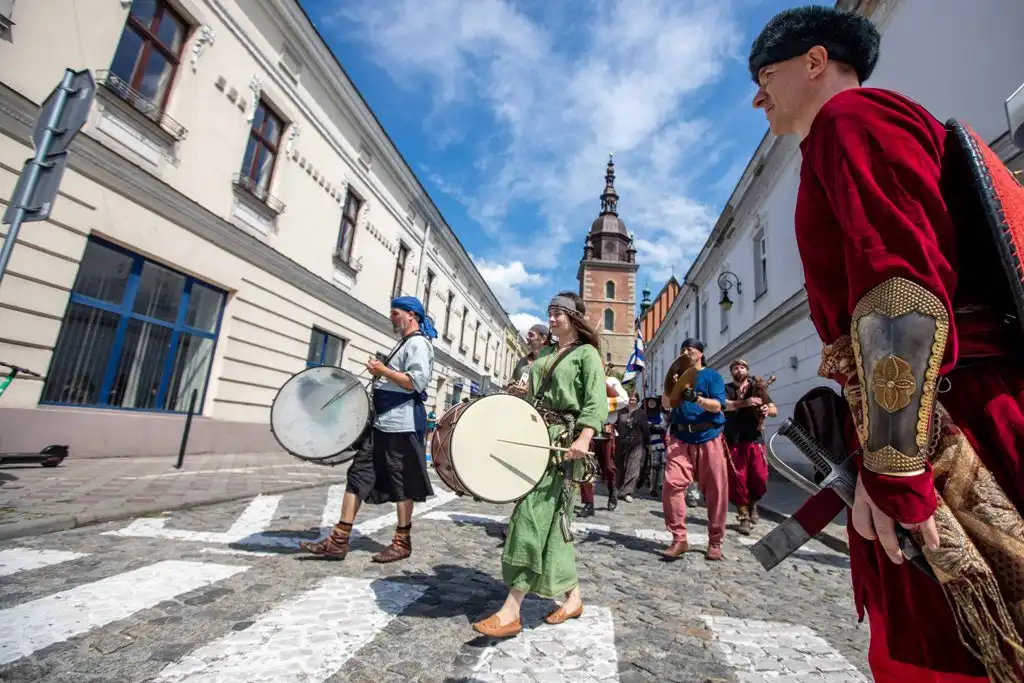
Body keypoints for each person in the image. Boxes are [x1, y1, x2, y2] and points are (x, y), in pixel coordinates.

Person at [750, 6, 1024, 681]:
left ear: (815, 62)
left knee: (952, 652)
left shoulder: (854, 119)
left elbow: (898, 287)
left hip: (947, 426)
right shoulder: (842, 136)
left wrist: (897, 469)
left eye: (765, 76)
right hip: (925, 415)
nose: (758, 97)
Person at [472, 292, 608, 638]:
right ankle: (573, 596)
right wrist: (521, 397)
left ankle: (511, 609)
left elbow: (595, 401)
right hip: (536, 439)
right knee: (553, 524)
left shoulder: (587, 354)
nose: (550, 319)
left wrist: (584, 438)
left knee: (532, 516)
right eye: (548, 313)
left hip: (563, 446)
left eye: (557, 314)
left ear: (573, 317)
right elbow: (536, 400)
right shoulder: (545, 354)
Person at [298, 297, 436, 563]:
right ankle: (338, 540)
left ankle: (402, 541)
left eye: (396, 314)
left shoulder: (418, 343)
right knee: (358, 474)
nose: (392, 318)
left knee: (402, 483)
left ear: (411, 315)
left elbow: (416, 382)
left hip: (401, 424)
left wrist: (382, 370)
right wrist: (381, 373)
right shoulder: (404, 344)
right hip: (381, 424)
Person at [660, 339, 728, 561]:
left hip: (709, 436)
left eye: (690, 349)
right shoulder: (675, 377)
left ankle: (715, 541)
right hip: (680, 438)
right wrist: (672, 387)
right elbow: (666, 404)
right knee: (671, 484)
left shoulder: (712, 376)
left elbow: (718, 405)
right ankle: (679, 539)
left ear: (700, 353)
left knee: (716, 491)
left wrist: (696, 398)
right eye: (682, 350)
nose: (685, 352)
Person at [723, 359, 777, 535]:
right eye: (735, 368)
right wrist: (745, 403)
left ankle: (754, 502)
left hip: (755, 439)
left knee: (760, 477)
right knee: (738, 480)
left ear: (747, 370)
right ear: (732, 372)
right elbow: (722, 406)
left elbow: (773, 408)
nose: (739, 370)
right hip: (734, 439)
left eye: (742, 367)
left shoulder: (757, 388)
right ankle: (743, 516)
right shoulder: (727, 389)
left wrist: (767, 411)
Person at [613, 394, 650, 503]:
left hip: (636, 443)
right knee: (620, 467)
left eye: (633, 399)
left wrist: (648, 444)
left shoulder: (641, 413)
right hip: (621, 442)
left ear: (637, 401)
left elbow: (646, 430)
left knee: (633, 467)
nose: (631, 401)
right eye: (629, 399)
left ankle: (627, 492)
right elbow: (614, 424)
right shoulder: (620, 412)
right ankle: (618, 488)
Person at [508, 324, 551, 393]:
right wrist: (513, 389)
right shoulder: (522, 362)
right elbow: (510, 385)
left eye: (531, 335)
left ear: (543, 339)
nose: (527, 338)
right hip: (519, 403)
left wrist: (530, 390)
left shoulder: (552, 362)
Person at [645, 396, 668, 497]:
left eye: (653, 401)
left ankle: (661, 484)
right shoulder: (644, 414)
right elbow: (643, 428)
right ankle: (652, 488)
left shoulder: (661, 415)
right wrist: (648, 427)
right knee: (653, 466)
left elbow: (663, 427)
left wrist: (651, 426)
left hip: (660, 442)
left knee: (662, 464)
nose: (651, 403)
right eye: (650, 401)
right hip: (647, 442)